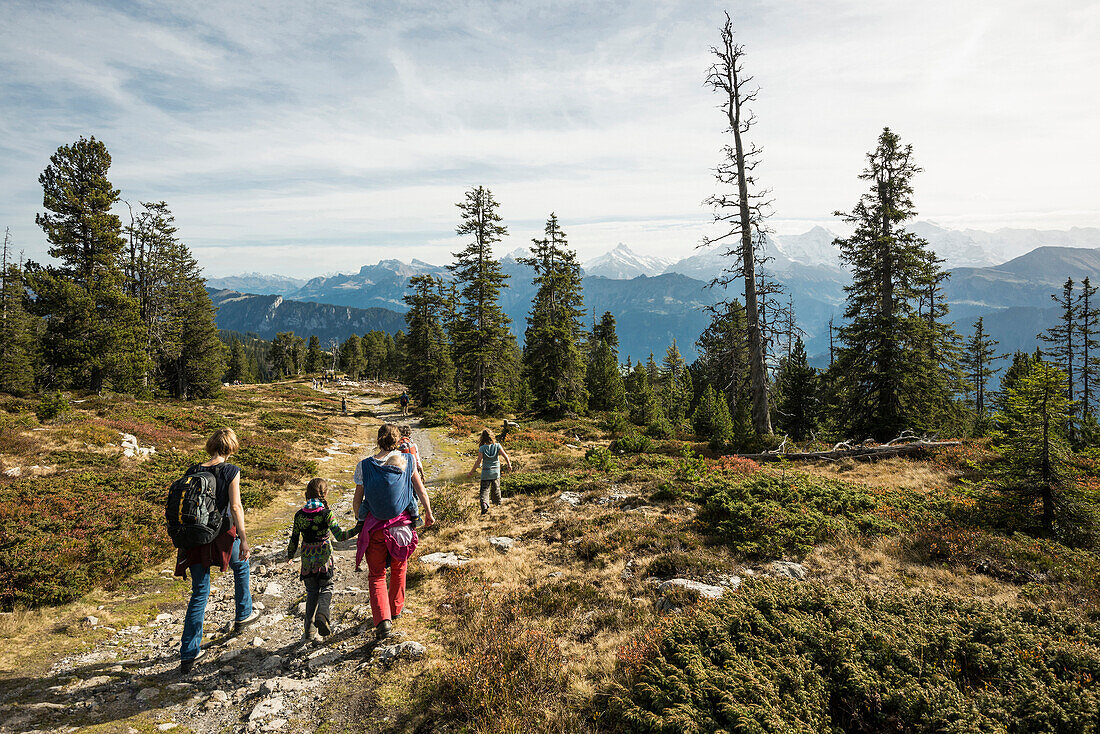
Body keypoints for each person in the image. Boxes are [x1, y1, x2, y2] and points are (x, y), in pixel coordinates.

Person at [176, 428, 260, 673]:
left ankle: (189, 653)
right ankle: (243, 614)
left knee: (200, 591)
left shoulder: (192, 471)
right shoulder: (231, 471)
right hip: (223, 535)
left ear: (211, 444)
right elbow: (235, 506)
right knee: (241, 565)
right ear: (231, 447)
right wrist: (243, 538)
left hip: (195, 537)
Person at [353, 424, 435, 640]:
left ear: (378, 439)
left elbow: (357, 499)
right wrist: (428, 513)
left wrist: (360, 518)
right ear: (398, 440)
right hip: (402, 527)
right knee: (400, 567)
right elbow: (421, 490)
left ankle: (382, 621)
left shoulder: (364, 466)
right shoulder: (407, 461)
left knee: (377, 575)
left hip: (375, 528)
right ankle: (396, 609)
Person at [287, 478, 361, 643]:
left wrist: (290, 555)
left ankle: (308, 631)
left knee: (311, 592)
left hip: (307, 560)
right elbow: (341, 536)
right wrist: (358, 528)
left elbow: (293, 538)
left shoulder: (299, 515)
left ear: (307, 494)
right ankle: (322, 615)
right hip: (324, 559)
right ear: (325, 494)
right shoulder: (327, 514)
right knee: (327, 587)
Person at [468, 429, 512, 516]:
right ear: (492, 436)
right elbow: (505, 456)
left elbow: (478, 462)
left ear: (482, 438)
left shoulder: (482, 448)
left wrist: (471, 472)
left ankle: (484, 504)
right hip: (495, 472)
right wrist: (509, 465)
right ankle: (498, 503)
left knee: (484, 490)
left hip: (486, 473)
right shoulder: (497, 446)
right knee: (496, 488)